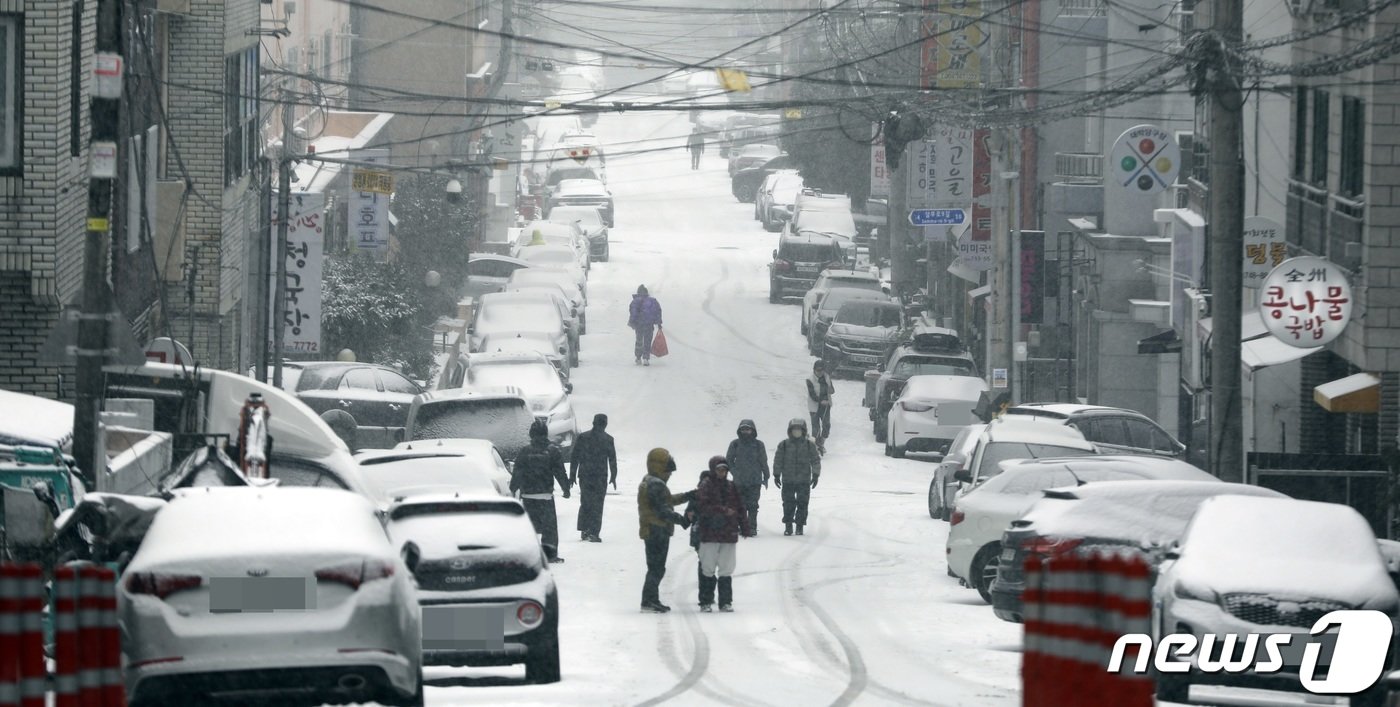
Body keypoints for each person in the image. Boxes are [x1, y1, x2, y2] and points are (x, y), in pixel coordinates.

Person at [637, 448, 696, 613]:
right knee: (656, 567)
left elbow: (666, 501)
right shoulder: (656, 484)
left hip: (652, 529)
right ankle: (649, 600)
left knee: (655, 567)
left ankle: (650, 599)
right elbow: (663, 510)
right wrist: (683, 520)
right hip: (657, 530)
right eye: (668, 471)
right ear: (659, 468)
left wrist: (687, 495)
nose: (670, 474)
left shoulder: (650, 482)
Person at [692, 456, 750, 612]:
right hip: (709, 533)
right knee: (707, 567)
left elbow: (740, 507)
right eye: (719, 469)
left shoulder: (732, 487)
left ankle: (725, 601)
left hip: (728, 533)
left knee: (726, 568)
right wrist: (723, 511)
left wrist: (744, 526)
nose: (722, 472)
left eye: (724, 469)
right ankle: (705, 601)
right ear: (713, 470)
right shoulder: (705, 486)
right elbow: (702, 507)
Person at [510, 419, 572, 563]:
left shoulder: (525, 451)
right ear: (546, 434)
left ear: (531, 434)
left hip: (528, 495)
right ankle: (550, 555)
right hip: (545, 495)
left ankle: (529, 555)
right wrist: (566, 488)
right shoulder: (552, 450)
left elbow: (518, 471)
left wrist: (513, 489)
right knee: (549, 528)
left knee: (529, 527)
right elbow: (559, 472)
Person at [570, 413, 618, 543]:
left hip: (585, 475)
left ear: (593, 423)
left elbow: (575, 457)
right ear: (605, 424)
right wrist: (613, 476)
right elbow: (612, 460)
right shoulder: (608, 439)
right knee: (598, 504)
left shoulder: (583, 437)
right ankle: (594, 532)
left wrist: (572, 475)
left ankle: (584, 530)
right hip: (600, 476)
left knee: (585, 502)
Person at [773, 417, 821, 536]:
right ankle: (788, 525)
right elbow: (778, 460)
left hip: (804, 480)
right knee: (788, 503)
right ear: (790, 430)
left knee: (803, 503)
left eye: (799, 429)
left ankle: (799, 525)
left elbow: (815, 460)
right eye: (794, 429)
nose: (796, 432)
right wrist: (776, 474)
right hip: (788, 480)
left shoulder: (809, 445)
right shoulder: (783, 445)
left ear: (803, 431)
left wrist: (815, 475)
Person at [725, 419, 769, 537]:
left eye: (748, 429)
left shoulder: (759, 445)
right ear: (740, 430)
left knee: (753, 505)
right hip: (739, 481)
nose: (745, 432)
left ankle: (752, 527)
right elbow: (729, 460)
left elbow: (763, 461)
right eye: (743, 429)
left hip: (755, 480)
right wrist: (735, 472)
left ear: (753, 430)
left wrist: (767, 476)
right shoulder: (735, 444)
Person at [628, 285, 664, 366]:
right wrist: (659, 323)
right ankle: (646, 358)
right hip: (649, 324)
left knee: (639, 340)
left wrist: (632, 322)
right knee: (647, 341)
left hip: (639, 324)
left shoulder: (635, 301)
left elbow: (633, 312)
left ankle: (638, 358)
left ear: (638, 292)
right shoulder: (653, 301)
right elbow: (658, 312)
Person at [806, 360, 835, 453]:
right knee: (816, 428)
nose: (820, 372)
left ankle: (821, 443)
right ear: (814, 370)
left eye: (821, 370)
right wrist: (820, 401)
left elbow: (832, 390)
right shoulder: (809, 380)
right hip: (814, 406)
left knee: (826, 425)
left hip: (826, 406)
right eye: (818, 370)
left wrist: (830, 390)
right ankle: (815, 446)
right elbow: (812, 394)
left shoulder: (827, 378)